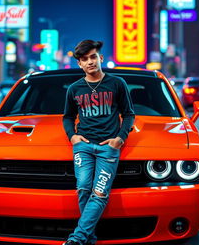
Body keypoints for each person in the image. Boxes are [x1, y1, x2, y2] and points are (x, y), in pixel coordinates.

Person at [62, 40, 135, 245]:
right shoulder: (75, 89)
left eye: (93, 57)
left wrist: (120, 139)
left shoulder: (117, 83)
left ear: (100, 58)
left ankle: (77, 238)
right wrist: (72, 136)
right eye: (84, 59)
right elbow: (67, 116)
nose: (89, 62)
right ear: (79, 64)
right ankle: (88, 239)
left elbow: (129, 114)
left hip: (108, 149)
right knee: (84, 189)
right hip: (83, 147)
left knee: (100, 193)